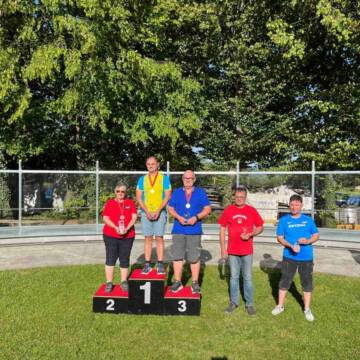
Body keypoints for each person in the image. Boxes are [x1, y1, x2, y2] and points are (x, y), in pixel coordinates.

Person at [271, 194, 320, 322]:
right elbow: (280, 237)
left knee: (307, 283)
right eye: (292, 204)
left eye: (297, 204)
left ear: (301, 206)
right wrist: (290, 245)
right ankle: (280, 306)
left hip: (306, 257)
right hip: (289, 256)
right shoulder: (284, 220)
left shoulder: (308, 220)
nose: (294, 207)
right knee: (284, 281)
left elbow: (316, 235)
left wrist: (307, 241)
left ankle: (307, 309)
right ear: (289, 205)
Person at [218, 186, 264, 315]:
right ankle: (234, 302)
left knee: (248, 278)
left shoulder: (251, 210)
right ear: (234, 197)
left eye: (242, 197)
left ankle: (249, 304)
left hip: (247, 251)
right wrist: (223, 249)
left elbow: (260, 227)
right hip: (232, 251)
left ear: (245, 197)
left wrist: (250, 234)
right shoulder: (228, 210)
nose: (239, 199)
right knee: (233, 277)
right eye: (237, 197)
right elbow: (222, 229)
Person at [168, 170, 212, 294]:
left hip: (194, 230)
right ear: (182, 179)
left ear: (194, 179)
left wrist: (196, 218)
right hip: (178, 229)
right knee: (177, 257)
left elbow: (208, 209)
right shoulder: (176, 192)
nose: (188, 180)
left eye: (190, 178)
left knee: (194, 258)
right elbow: (170, 208)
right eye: (185, 178)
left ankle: (195, 282)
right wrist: (178, 217)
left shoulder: (200, 192)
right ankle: (178, 282)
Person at [136, 156, 171, 274]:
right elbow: (139, 197)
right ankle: (147, 263)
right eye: (148, 164)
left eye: (152, 164)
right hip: (146, 213)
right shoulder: (142, 179)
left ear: (157, 165)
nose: (150, 166)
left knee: (159, 237)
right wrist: (146, 211)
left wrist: (159, 210)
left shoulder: (164, 178)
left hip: (160, 212)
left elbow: (167, 196)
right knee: (148, 238)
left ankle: (160, 263)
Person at [102, 183, 138, 293]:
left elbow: (134, 217)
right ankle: (109, 282)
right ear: (115, 192)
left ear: (125, 193)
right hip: (111, 235)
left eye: (122, 191)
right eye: (118, 191)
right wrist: (115, 227)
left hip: (127, 236)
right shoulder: (110, 203)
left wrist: (127, 228)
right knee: (110, 258)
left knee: (124, 258)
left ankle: (123, 281)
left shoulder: (130, 203)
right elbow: (105, 218)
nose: (120, 193)